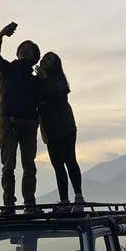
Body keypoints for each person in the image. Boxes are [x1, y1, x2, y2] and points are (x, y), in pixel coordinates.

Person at [0, 21, 42, 215]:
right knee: (9, 165)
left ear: (34, 57)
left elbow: (44, 102)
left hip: (28, 123)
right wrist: (1, 36)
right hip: (10, 121)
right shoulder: (7, 69)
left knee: (28, 165)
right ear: (19, 53)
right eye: (24, 49)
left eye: (30, 50)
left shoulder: (37, 79)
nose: (27, 51)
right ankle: (9, 205)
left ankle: (29, 203)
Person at [36, 52, 83, 212]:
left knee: (70, 161)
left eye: (49, 60)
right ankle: (64, 201)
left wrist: (44, 79)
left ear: (56, 65)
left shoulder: (59, 81)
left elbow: (58, 97)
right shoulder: (40, 81)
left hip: (66, 127)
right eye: (44, 59)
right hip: (50, 130)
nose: (45, 62)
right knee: (57, 165)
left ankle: (78, 197)